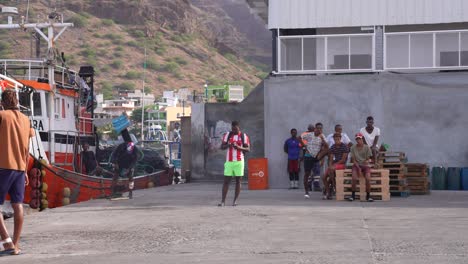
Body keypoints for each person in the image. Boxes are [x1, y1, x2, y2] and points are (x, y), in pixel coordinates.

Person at [0, 89, 34, 256]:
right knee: (17, 205)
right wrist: (26, 170)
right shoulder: (26, 120)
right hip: (20, 168)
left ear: (2, 103)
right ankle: (16, 244)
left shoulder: (2, 116)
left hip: (3, 166)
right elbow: (27, 148)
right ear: (17, 102)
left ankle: (6, 241)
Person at [218, 121, 250, 207]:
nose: (234, 131)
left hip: (239, 162)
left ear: (238, 127)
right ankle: (223, 201)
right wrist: (228, 145)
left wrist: (239, 147)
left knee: (238, 181)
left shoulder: (243, 136)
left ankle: (235, 201)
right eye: (232, 129)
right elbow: (221, 147)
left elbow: (248, 149)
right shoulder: (228, 135)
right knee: (226, 181)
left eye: (235, 129)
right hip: (229, 161)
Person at [300, 123, 328, 199]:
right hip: (308, 156)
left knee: (327, 150)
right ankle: (306, 191)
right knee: (307, 173)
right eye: (318, 128)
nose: (319, 130)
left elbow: (327, 146)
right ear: (315, 128)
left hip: (316, 156)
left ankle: (323, 190)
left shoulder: (322, 136)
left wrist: (322, 139)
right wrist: (304, 146)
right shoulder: (309, 135)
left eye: (320, 128)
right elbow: (299, 137)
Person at [323, 133, 349, 200]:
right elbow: (331, 158)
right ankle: (329, 191)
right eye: (335, 139)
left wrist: (334, 165)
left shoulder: (344, 147)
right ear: (333, 139)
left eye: (338, 138)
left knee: (331, 170)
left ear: (340, 138)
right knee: (324, 177)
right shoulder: (333, 147)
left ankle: (334, 187)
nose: (336, 140)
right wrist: (330, 165)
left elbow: (343, 160)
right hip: (334, 165)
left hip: (342, 164)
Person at [349, 133, 373, 202]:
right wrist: (359, 168)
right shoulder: (353, 147)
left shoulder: (367, 147)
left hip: (365, 165)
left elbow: (368, 158)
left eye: (359, 138)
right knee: (354, 178)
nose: (358, 140)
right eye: (357, 139)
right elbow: (353, 160)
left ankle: (368, 196)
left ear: (362, 139)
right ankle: (352, 195)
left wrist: (366, 161)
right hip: (356, 165)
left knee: (368, 179)